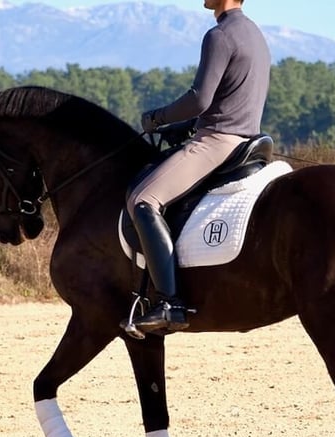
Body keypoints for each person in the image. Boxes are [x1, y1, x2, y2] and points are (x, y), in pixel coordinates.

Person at [126, 0, 271, 333]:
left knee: (144, 201)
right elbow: (225, 100)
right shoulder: (254, 33)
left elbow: (199, 99)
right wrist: (185, 127)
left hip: (218, 142)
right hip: (245, 136)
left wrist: (156, 118)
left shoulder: (219, 35)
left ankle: (169, 303)